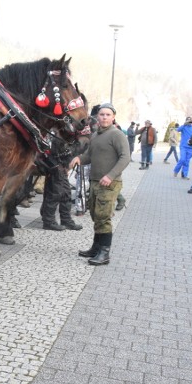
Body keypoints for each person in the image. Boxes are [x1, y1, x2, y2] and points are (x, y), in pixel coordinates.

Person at [68, 103, 130, 266]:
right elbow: (89, 155)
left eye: (108, 115)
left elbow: (125, 157)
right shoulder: (96, 135)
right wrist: (79, 159)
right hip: (95, 182)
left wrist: (110, 176)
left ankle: (104, 253)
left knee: (103, 217)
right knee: (96, 215)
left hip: (110, 183)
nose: (104, 117)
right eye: (102, 114)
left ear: (113, 117)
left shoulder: (117, 135)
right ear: (97, 116)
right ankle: (96, 247)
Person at [38, 135, 83, 231]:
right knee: (55, 193)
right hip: (54, 164)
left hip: (61, 164)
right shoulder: (56, 131)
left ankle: (66, 220)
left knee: (66, 193)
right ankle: (48, 221)